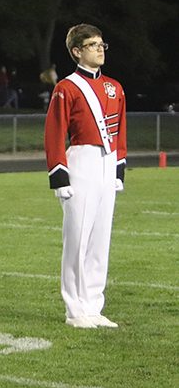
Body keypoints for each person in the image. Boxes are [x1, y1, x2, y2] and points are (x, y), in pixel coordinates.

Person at [44, 23, 126, 329]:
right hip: (81, 161)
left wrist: (118, 170)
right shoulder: (66, 88)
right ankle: (75, 310)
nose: (100, 49)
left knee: (99, 240)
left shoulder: (115, 88)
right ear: (77, 51)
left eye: (102, 44)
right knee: (77, 239)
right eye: (93, 45)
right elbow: (54, 135)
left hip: (106, 164)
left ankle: (94, 305)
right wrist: (59, 177)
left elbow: (121, 133)